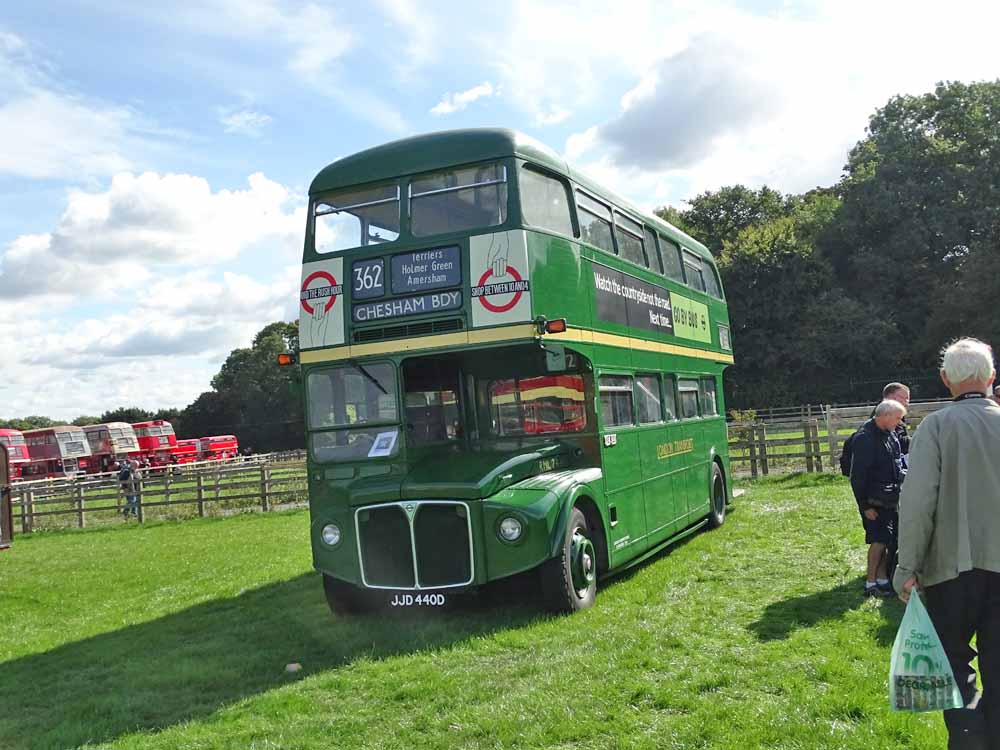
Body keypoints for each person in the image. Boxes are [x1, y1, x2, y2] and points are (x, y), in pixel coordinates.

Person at [895, 338, 1000, 749]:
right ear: (992, 377)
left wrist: (907, 567)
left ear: (944, 380)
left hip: (949, 573)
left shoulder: (935, 427)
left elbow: (918, 503)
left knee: (955, 671)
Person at [849, 399, 907, 597]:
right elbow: (857, 477)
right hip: (873, 501)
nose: (900, 423)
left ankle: (882, 579)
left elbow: (897, 463)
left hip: (890, 498)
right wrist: (865, 506)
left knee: (887, 539)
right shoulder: (864, 438)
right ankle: (870, 583)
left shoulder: (890, 435)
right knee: (878, 541)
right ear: (885, 416)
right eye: (898, 418)